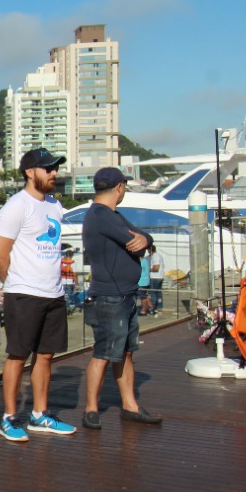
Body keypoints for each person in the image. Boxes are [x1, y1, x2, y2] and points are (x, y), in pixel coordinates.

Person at [0, 147, 77, 442]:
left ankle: (40, 414)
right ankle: (9, 417)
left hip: (53, 294)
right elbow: (0, 255)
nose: (54, 173)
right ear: (30, 172)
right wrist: (14, 284)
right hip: (24, 294)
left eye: (55, 168)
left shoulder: (54, 205)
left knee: (45, 356)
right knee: (17, 356)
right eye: (48, 169)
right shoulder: (17, 205)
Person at [80, 168, 164, 427]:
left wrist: (146, 238)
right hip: (109, 296)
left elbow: (142, 237)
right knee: (104, 352)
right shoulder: (101, 215)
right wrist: (143, 240)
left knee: (126, 352)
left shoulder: (112, 215)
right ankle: (91, 409)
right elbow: (133, 239)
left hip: (124, 295)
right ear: (120, 187)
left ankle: (130, 405)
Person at [148, 249, 165, 314]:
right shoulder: (159, 255)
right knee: (159, 293)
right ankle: (159, 307)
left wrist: (148, 269)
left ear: (150, 250)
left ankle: (154, 308)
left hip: (155, 277)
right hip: (160, 276)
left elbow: (156, 268)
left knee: (153, 293)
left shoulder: (155, 256)